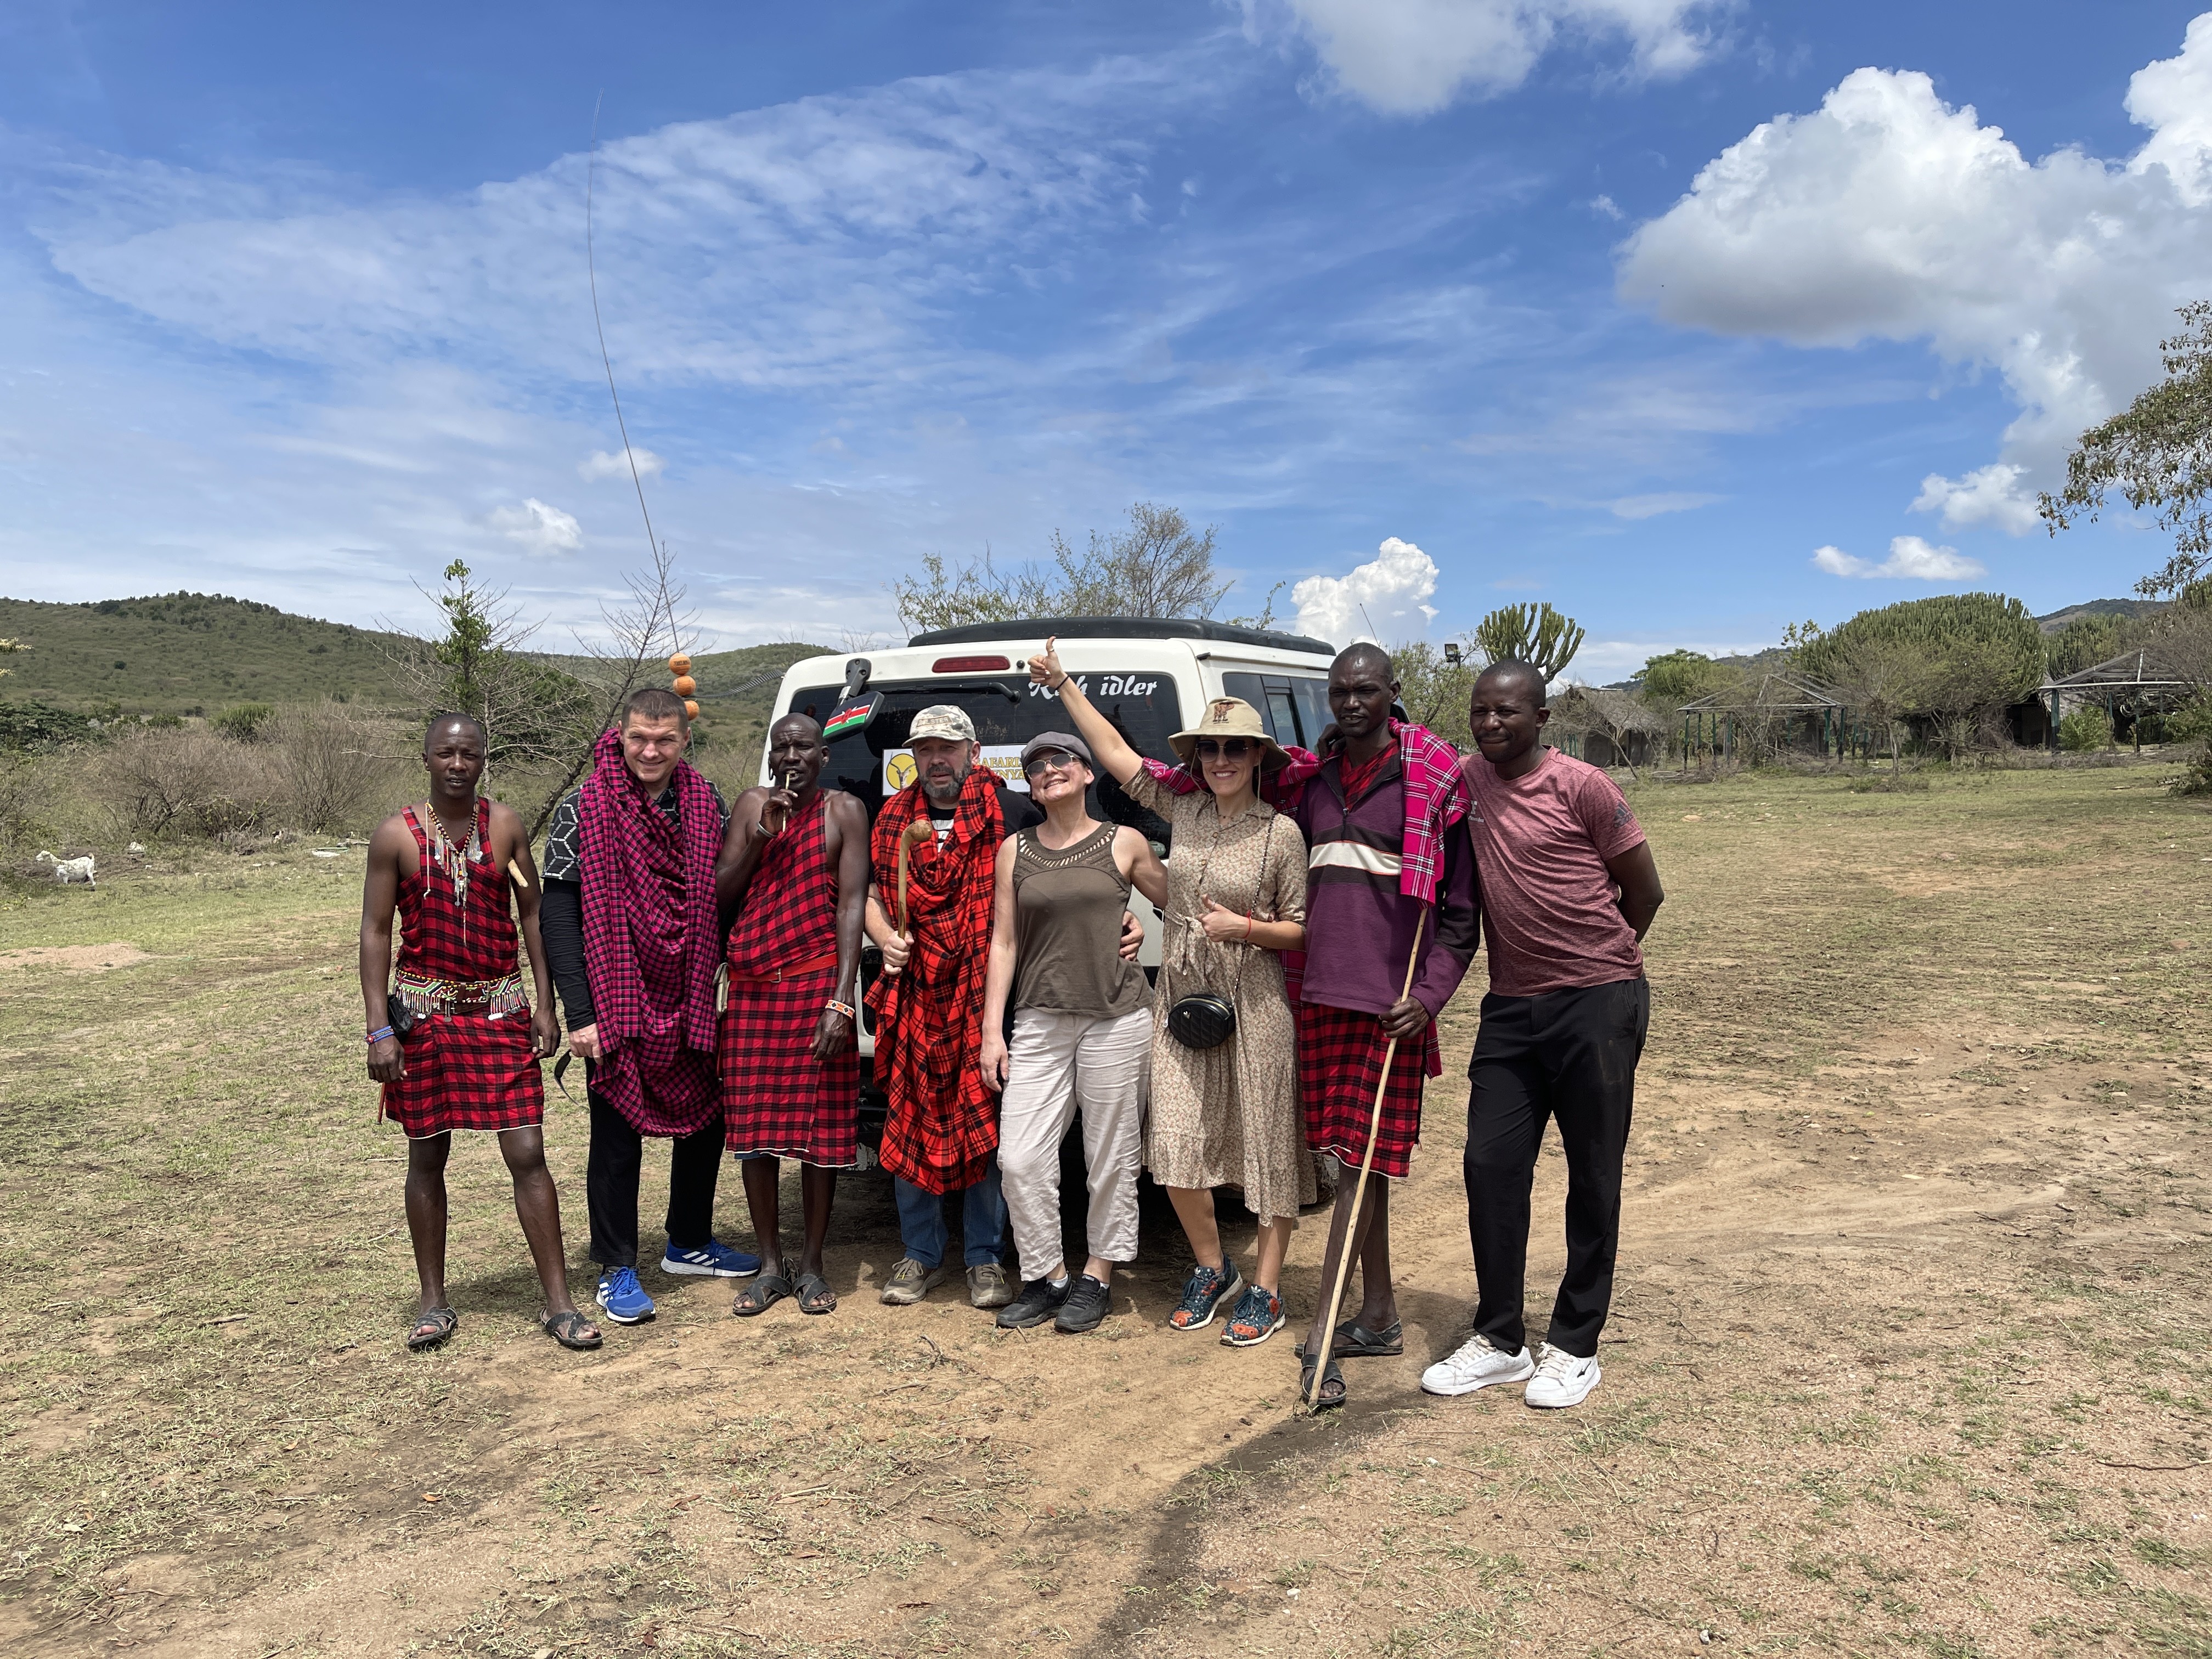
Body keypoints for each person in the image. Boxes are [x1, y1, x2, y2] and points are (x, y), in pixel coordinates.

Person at [1033, 640, 1311, 1348]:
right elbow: (1116, 753)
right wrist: (1064, 684)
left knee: (1267, 1146)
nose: (1220, 760)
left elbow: (1302, 931)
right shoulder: (1181, 812)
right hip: (1184, 999)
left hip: (1254, 1003)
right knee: (1177, 1145)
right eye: (1210, 749)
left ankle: (1269, 1289)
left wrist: (1244, 926)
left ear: (1256, 758)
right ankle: (1213, 1269)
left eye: (1235, 749)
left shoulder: (1282, 834)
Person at [1421, 660, 1665, 1411]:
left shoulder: (1584, 786)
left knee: (1593, 1176)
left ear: (1542, 718)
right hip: (1511, 1009)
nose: (1491, 723)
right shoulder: (1465, 781)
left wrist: (1602, 968)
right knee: (1489, 1167)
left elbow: (1645, 890)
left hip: (1599, 1002)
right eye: (1481, 711)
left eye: (1508, 712)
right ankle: (1500, 1339)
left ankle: (1575, 1344)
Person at [864, 706, 1144, 1312]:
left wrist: (1118, 919)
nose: (936, 759)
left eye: (948, 747)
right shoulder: (891, 818)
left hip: (989, 998)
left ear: (972, 750)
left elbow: (1069, 872)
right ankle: (919, 1253)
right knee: (910, 1118)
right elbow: (867, 890)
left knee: (987, 1127)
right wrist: (884, 933)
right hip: (916, 993)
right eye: (925, 748)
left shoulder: (1012, 811)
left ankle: (986, 1259)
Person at [360, 712, 599, 1352]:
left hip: (499, 1011)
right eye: (446, 753)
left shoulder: (507, 826)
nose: (458, 764)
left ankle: (558, 1303)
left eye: (469, 753)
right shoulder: (396, 836)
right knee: (427, 1155)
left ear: (484, 757)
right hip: (426, 1018)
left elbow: (533, 917)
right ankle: (434, 1302)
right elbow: (376, 933)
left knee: (527, 1153)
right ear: (428, 758)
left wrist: (545, 1006)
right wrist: (378, 1028)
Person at [1284, 644, 1479, 1410]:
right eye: (1340, 692)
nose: (1352, 702)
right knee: (1350, 1162)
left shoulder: (1433, 785)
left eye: (1366, 690)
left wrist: (1428, 998)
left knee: (1361, 1173)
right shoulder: (1314, 782)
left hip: (1391, 1009)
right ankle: (1380, 1314)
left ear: (1393, 693)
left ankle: (1325, 1339)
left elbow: (1461, 917)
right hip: (1322, 998)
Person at [540, 689, 759, 1327]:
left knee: (706, 1120)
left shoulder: (705, 800)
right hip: (616, 992)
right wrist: (579, 1012)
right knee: (615, 1139)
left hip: (689, 990)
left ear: (684, 740)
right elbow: (559, 916)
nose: (651, 750)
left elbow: (727, 893)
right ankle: (616, 1265)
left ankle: (689, 1242)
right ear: (622, 734)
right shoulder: (584, 806)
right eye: (640, 737)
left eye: (664, 739)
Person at [977, 730, 1166, 1334]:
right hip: (1040, 1018)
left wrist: (1138, 922)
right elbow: (1003, 943)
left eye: (1060, 760)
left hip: (1118, 1016)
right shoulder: (1017, 850)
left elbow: (1183, 903)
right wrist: (991, 1031)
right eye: (1035, 766)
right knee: (1020, 1157)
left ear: (1088, 774)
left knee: (1110, 1157)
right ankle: (1048, 1275)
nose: (1047, 769)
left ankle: (1097, 1276)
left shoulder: (1125, 842)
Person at [716, 713, 870, 1317]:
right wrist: (759, 834)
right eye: (782, 746)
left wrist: (842, 998)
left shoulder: (844, 811)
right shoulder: (752, 803)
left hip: (813, 987)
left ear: (822, 757)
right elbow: (720, 891)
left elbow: (852, 905)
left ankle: (811, 1264)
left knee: (819, 1131)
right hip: (753, 989)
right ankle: (768, 1263)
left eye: (803, 747)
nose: (791, 755)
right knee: (753, 1133)